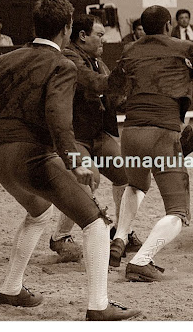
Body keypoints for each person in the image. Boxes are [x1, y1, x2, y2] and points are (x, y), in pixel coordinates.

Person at [0, 0, 140, 321]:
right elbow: (58, 118)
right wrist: (75, 161)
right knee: (96, 222)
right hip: (33, 156)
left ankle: (11, 289)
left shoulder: (0, 61)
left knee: (39, 214)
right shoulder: (62, 65)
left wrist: (5, 137)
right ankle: (99, 305)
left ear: (35, 25)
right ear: (66, 28)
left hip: (1, 157)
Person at [107, 5, 193, 282]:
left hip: (131, 132)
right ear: (168, 25)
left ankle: (120, 237)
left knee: (136, 185)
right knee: (177, 212)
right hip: (163, 133)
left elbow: (113, 91)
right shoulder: (183, 47)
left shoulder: (130, 51)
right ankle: (141, 261)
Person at [49, 14, 142, 262]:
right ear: (82, 36)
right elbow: (95, 84)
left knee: (126, 174)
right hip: (75, 136)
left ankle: (122, 232)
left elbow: (113, 98)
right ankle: (60, 236)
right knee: (89, 180)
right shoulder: (69, 59)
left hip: (98, 135)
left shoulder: (98, 62)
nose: (104, 40)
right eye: (99, 35)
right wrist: (123, 71)